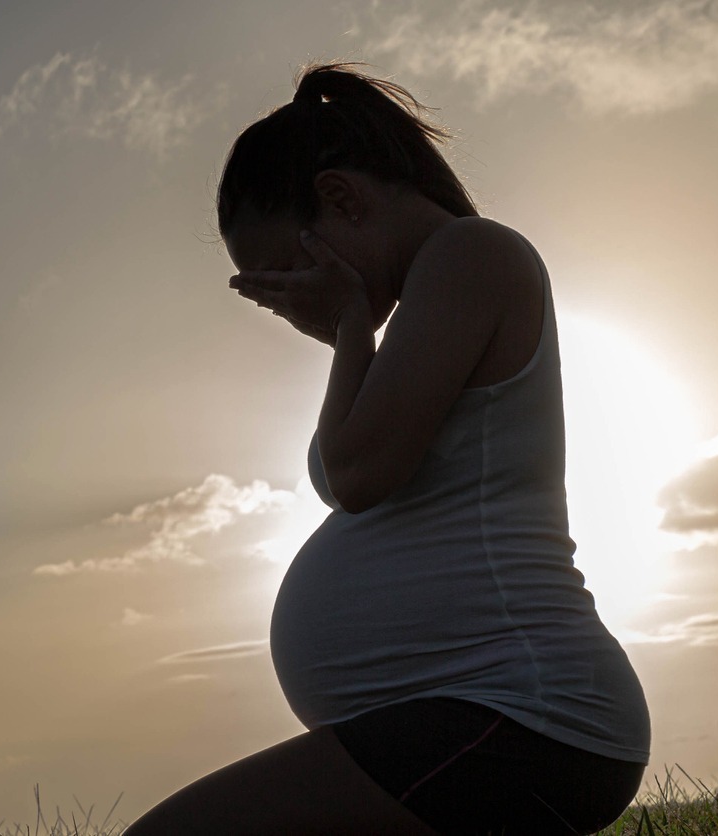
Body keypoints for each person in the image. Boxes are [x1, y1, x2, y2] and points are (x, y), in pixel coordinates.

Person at [123, 62, 650, 835]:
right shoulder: (422, 307)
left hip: (527, 722)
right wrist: (352, 330)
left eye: (290, 271)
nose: (291, 302)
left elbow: (360, 473)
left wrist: (347, 326)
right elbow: (353, 470)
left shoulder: (472, 254)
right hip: (478, 722)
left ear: (340, 199)